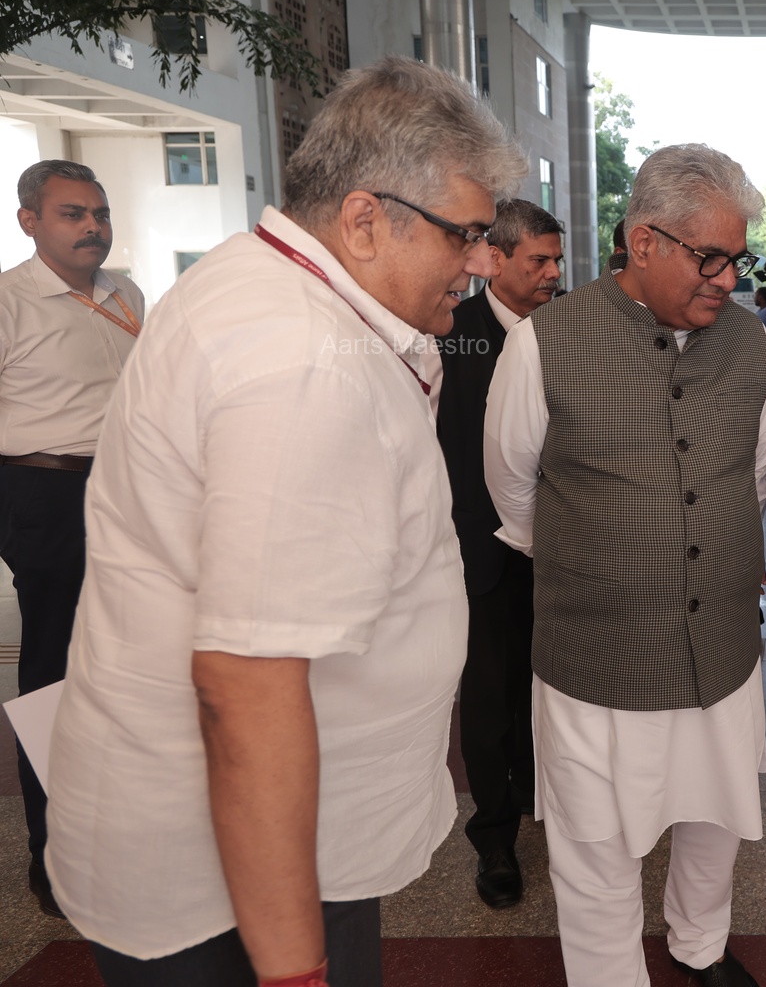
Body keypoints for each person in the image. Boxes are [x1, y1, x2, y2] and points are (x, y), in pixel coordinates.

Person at [46, 57, 527, 985]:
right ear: (363, 218)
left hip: (273, 841)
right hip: (234, 887)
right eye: (466, 234)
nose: (481, 262)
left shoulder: (268, 285)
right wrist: (296, 972)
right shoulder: (306, 364)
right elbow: (244, 686)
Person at [484, 143, 766, 987]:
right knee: (594, 840)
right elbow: (511, 488)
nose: (726, 277)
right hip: (594, 658)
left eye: (737, 257)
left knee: (716, 818)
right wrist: (607, 563)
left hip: (719, 643)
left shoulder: (752, 344)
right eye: (708, 256)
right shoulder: (545, 344)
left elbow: (755, 472)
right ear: (643, 242)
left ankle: (700, 945)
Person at [1, 159, 144, 919]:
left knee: (127, 673)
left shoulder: (126, 294)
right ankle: (51, 853)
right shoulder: (8, 302)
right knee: (56, 677)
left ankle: (120, 838)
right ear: (30, 221)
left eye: (100, 211)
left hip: (128, 494)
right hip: (45, 494)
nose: (92, 226)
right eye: (71, 214)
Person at [436, 198, 563, 910]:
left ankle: (547, 799)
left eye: (556, 260)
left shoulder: (572, 328)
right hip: (481, 551)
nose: (551, 273)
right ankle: (493, 839)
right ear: (498, 258)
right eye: (537, 261)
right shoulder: (454, 333)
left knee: (551, 691)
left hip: (562, 550)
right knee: (487, 701)